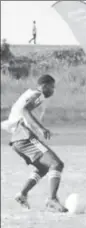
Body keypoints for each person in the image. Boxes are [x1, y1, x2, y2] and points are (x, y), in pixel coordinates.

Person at [1, 74, 68, 212]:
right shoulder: (39, 94)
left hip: (18, 139)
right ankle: (52, 199)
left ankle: (22, 194)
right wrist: (41, 129)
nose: (52, 91)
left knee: (43, 168)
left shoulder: (30, 93)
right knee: (57, 164)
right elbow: (25, 111)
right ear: (44, 86)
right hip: (24, 136)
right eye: (52, 87)